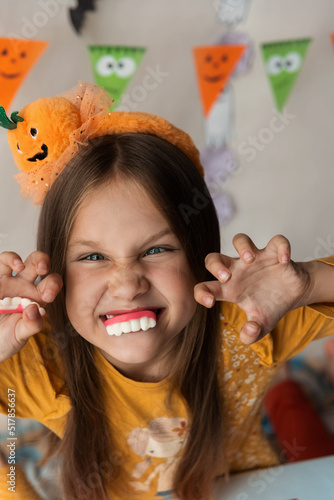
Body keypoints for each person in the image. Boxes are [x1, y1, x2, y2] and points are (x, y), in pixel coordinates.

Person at [0, 83, 334, 500]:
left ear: (199, 254)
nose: (127, 283)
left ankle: (289, 392)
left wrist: (309, 282)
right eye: (92, 257)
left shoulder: (248, 324)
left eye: (156, 249)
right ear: (54, 273)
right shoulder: (43, 361)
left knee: (299, 420)